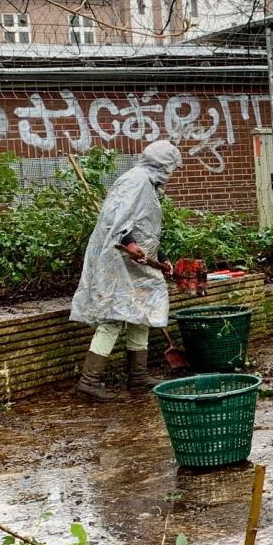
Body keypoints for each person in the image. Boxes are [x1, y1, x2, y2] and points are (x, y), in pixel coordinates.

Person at [70, 141, 182, 401]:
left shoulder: (148, 185)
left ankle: (138, 376)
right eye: (171, 167)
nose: (172, 173)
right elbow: (115, 217)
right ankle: (89, 381)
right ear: (162, 164)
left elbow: (146, 229)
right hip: (119, 261)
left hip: (138, 264)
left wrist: (163, 259)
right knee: (113, 317)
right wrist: (129, 243)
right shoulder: (136, 181)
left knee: (141, 313)